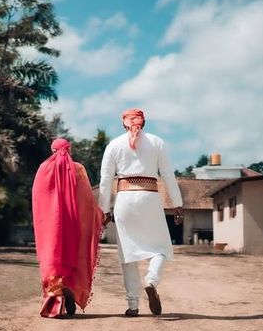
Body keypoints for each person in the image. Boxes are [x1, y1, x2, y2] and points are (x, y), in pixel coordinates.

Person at [99, 109, 183, 317]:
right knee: (161, 247)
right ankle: (151, 280)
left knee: (128, 254)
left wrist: (104, 210)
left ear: (123, 124)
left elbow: (105, 181)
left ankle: (133, 305)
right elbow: (168, 176)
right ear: (144, 123)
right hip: (150, 198)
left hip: (124, 200)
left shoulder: (114, 145)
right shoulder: (157, 142)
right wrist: (177, 204)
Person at [32, 138, 104, 318]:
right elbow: (87, 200)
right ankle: (69, 288)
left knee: (52, 257)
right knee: (72, 255)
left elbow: (37, 198)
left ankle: (54, 301)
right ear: (69, 150)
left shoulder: (43, 168)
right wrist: (98, 215)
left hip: (50, 225)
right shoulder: (78, 169)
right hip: (73, 225)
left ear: (52, 150)